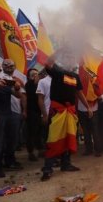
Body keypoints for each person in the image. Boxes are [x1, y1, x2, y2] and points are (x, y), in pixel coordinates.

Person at [41, 50, 93, 181]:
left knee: (70, 137)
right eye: (67, 57)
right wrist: (58, 51)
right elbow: (48, 63)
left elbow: (79, 93)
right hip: (58, 111)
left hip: (70, 111)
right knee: (53, 138)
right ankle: (48, 168)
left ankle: (66, 164)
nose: (70, 59)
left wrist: (88, 107)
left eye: (71, 57)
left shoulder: (75, 76)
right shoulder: (57, 71)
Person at [0, 61, 22, 178]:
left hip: (8, 114)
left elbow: (18, 95)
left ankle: (6, 163)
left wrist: (17, 88)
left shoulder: (4, 82)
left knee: (9, 140)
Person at [0, 59, 26, 170]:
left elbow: (22, 96)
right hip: (1, 112)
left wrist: (24, 110)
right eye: (6, 65)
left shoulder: (16, 80)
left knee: (13, 139)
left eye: (11, 66)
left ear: (14, 68)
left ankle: (10, 160)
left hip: (15, 112)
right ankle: (1, 163)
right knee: (2, 139)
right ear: (2, 66)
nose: (8, 67)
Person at [25, 68, 43, 161]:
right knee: (32, 132)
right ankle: (30, 152)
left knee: (40, 131)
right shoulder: (28, 84)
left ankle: (40, 150)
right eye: (33, 74)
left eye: (37, 74)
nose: (36, 75)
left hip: (40, 111)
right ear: (29, 76)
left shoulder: (41, 84)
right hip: (32, 111)